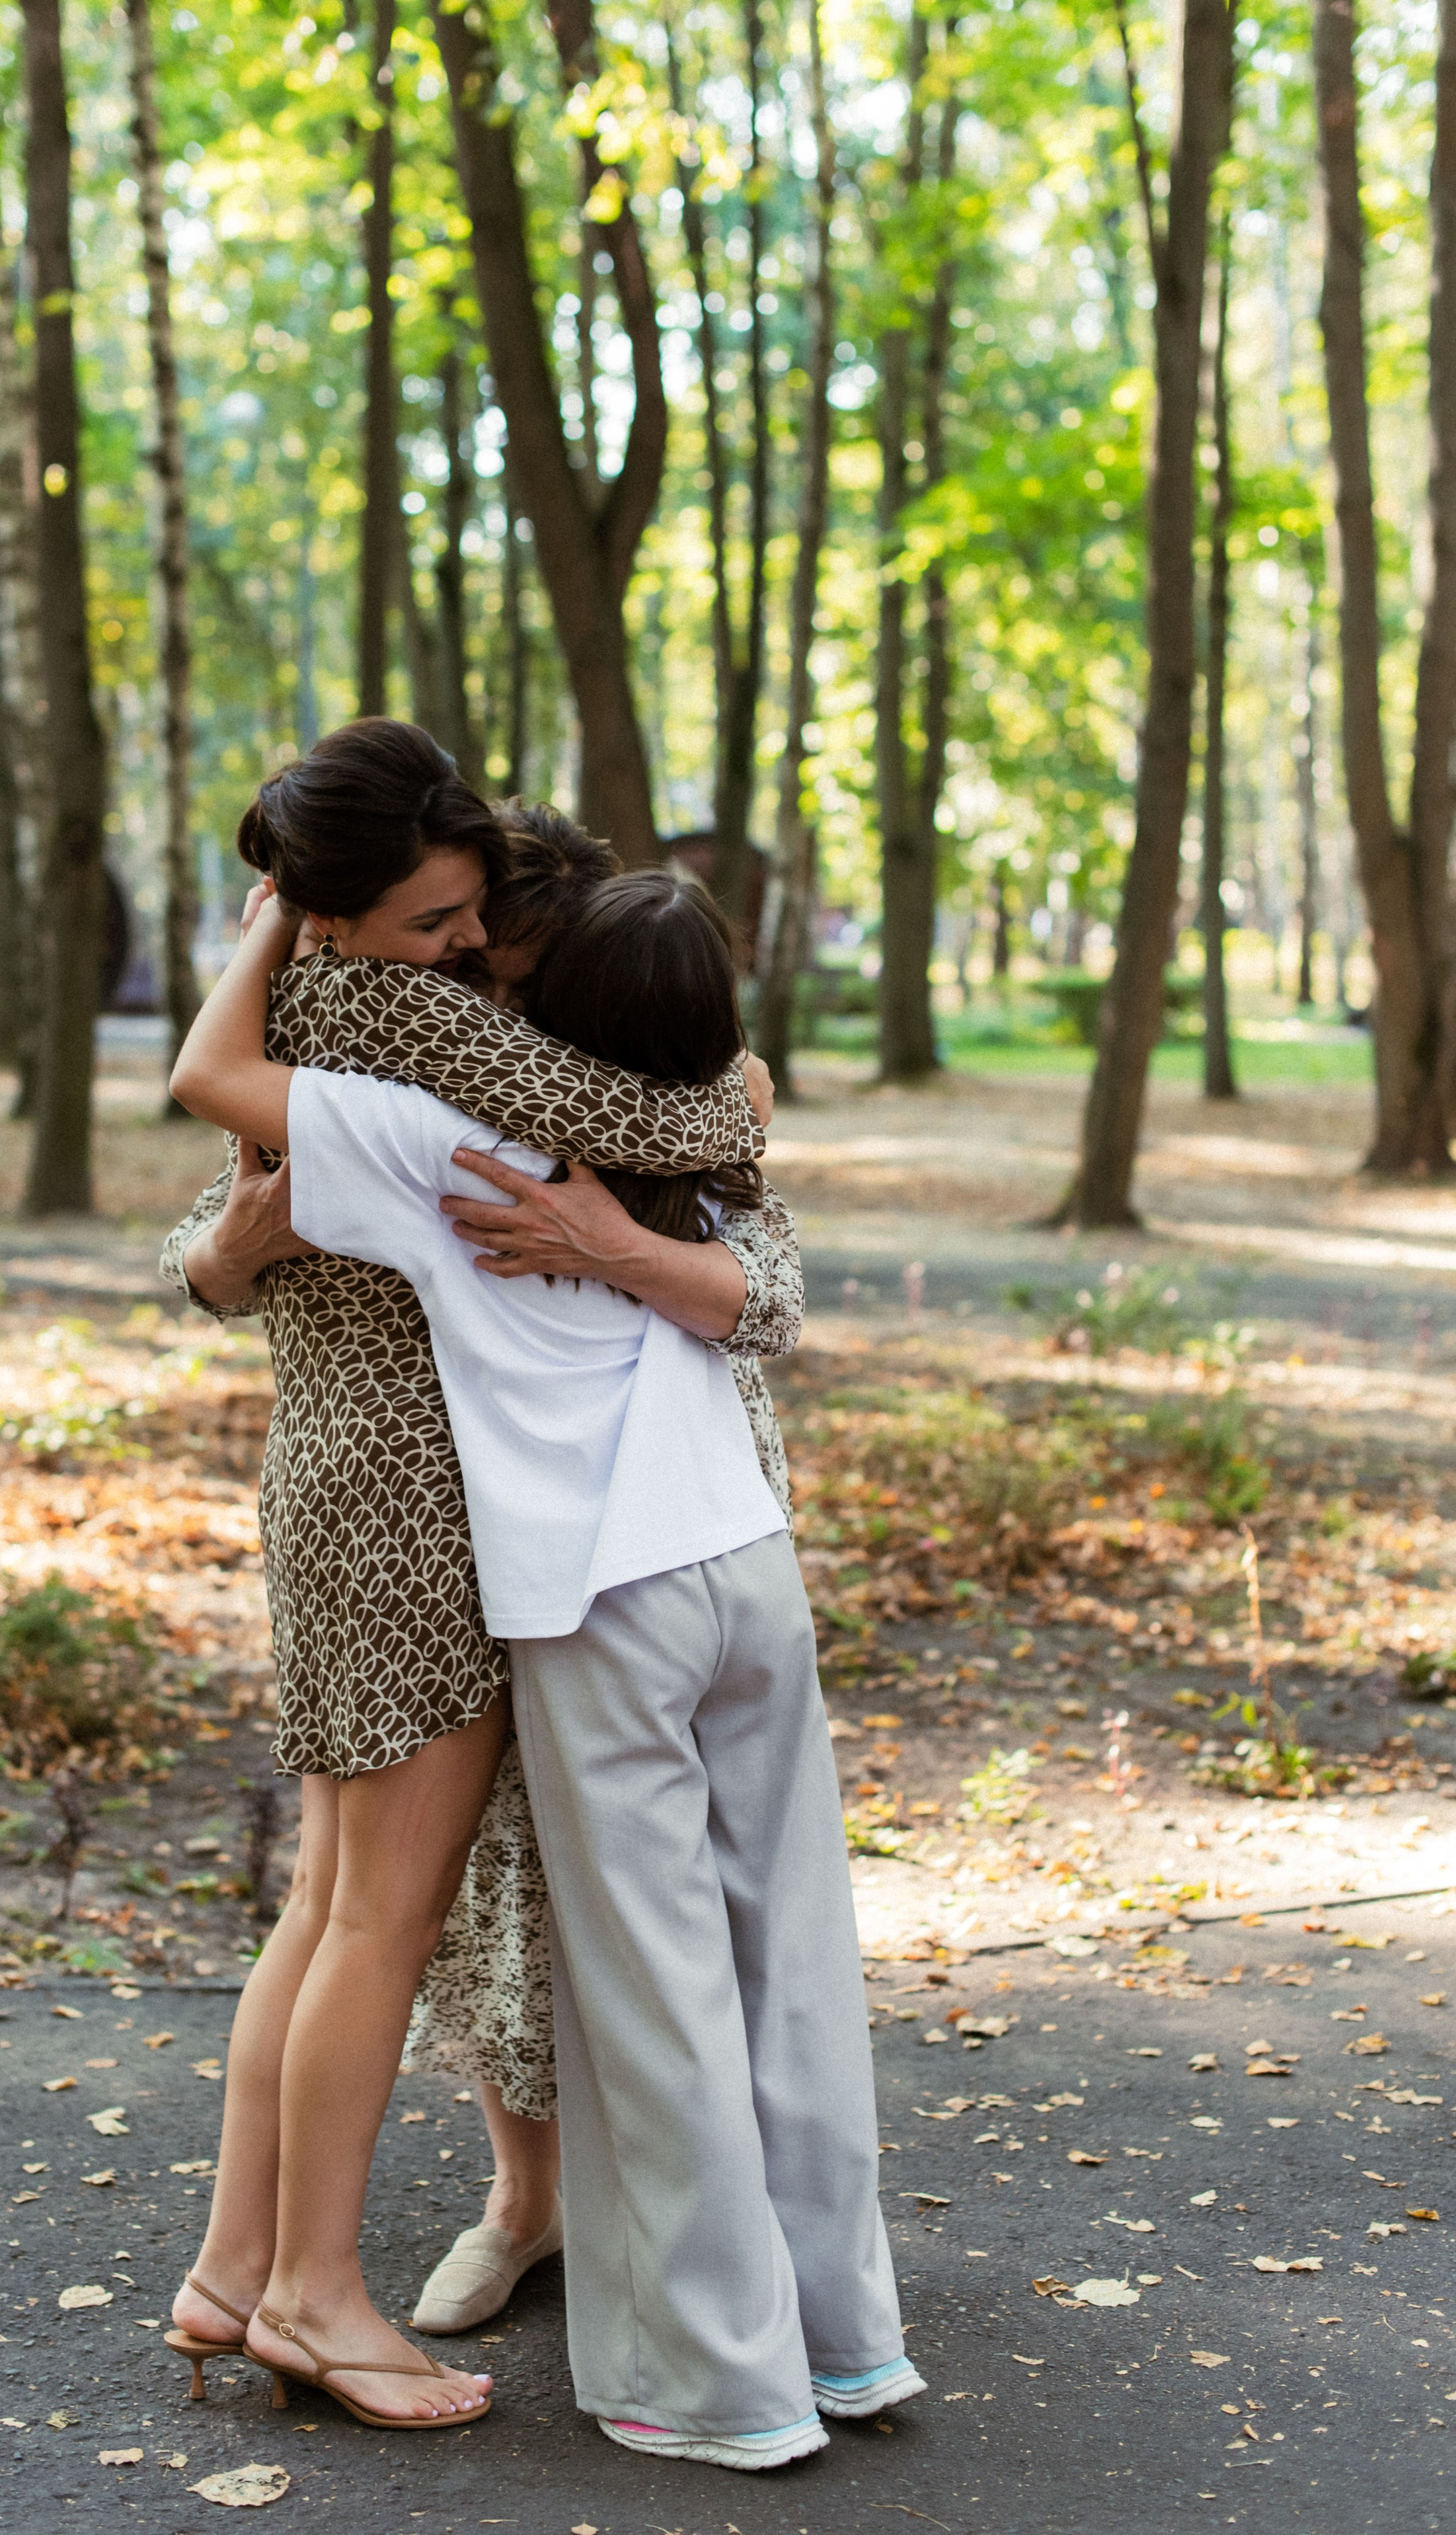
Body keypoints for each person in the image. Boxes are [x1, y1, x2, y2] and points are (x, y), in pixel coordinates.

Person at [169, 870, 923, 2472]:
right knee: (780, 1966)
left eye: (485, 953)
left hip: (593, 1590)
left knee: (628, 1989)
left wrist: (275, 922)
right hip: (737, 1557)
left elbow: (219, 1085)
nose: (458, 977)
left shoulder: (430, 1139)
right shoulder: (695, 1124)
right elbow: (224, 1224)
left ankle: (717, 2380)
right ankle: (842, 2341)